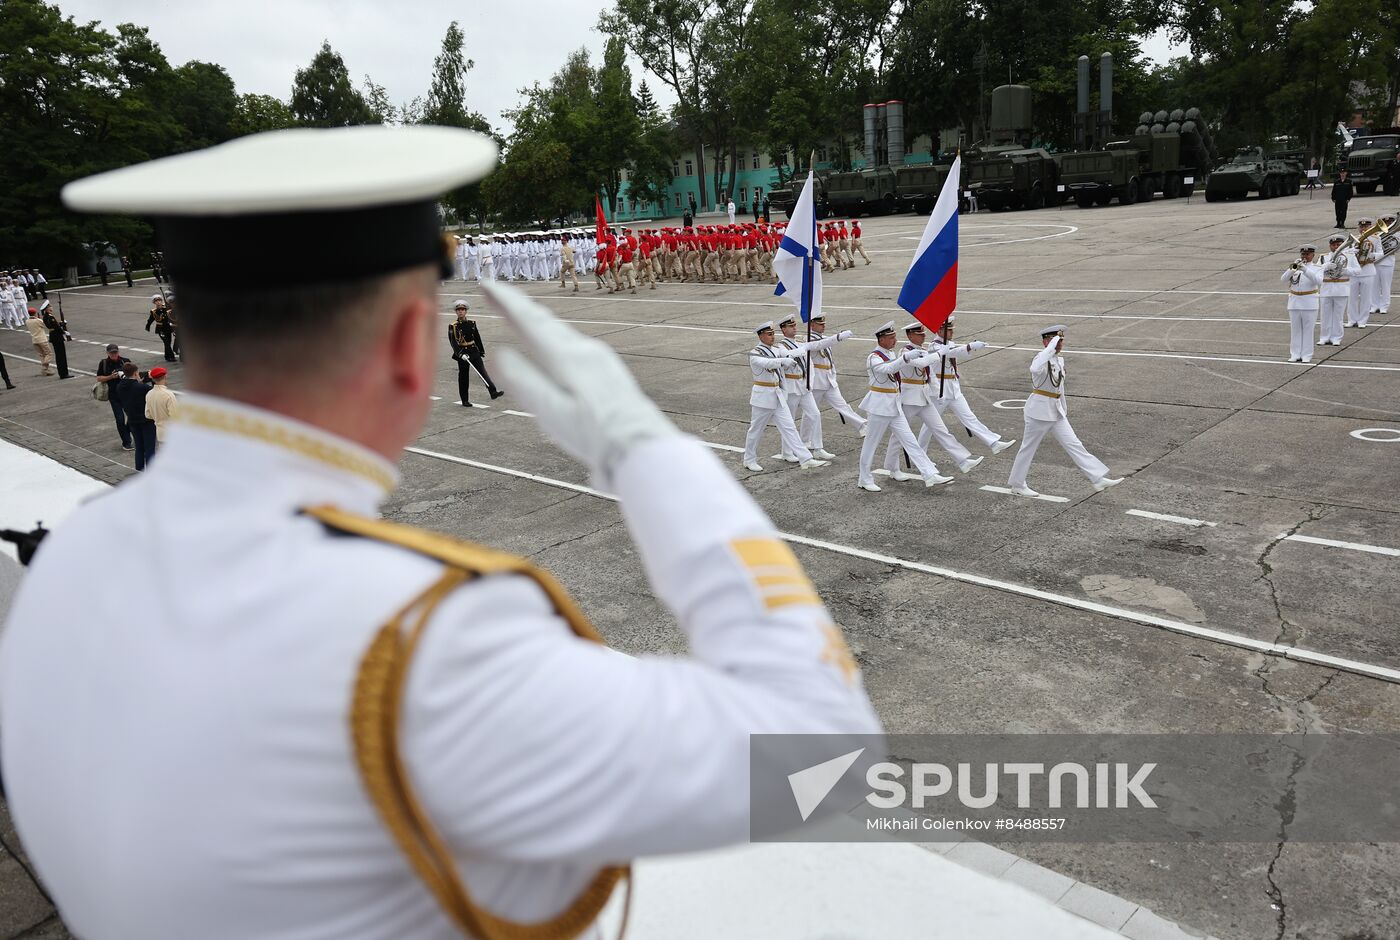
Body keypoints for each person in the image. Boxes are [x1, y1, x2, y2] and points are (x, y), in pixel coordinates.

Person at [2, 125, 880, 938]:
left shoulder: (78, 548)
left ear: (187, 327)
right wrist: (650, 454)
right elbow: (821, 757)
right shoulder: (430, 643)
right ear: (411, 343)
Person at [1006, 325, 1121, 497]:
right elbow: (1034, 369)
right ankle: (1017, 484)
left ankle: (1097, 479)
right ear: (1046, 342)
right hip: (1038, 412)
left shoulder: (1059, 361)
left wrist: (1063, 409)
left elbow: (1059, 388)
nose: (1059, 344)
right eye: (1055, 340)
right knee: (1028, 448)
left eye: (1060, 340)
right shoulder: (1040, 359)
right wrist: (1050, 347)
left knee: (1074, 444)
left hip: (1056, 411)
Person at [855, 322, 953, 492]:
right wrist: (906, 358)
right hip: (879, 407)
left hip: (894, 404)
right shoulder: (874, 357)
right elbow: (889, 369)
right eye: (891, 338)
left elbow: (904, 365)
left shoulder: (891, 353)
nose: (894, 340)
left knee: (910, 441)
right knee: (871, 444)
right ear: (882, 339)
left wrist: (925, 355)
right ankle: (864, 478)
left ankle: (929, 474)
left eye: (894, 337)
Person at [878, 323, 980, 481]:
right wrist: (940, 354)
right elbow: (921, 364)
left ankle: (962, 460)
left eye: (924, 334)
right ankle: (893, 468)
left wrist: (937, 392)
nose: (923, 336)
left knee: (941, 430)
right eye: (919, 334)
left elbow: (929, 374)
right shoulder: (905, 351)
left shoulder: (923, 351)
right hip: (909, 399)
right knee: (898, 436)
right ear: (911, 336)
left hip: (924, 397)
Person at [921, 315, 1015, 454]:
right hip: (940, 389)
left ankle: (993, 443)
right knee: (930, 426)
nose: (952, 333)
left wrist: (970, 349)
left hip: (953, 387)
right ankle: (919, 453)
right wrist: (970, 346)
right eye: (949, 330)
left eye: (952, 330)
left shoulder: (949, 343)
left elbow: (959, 353)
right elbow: (952, 353)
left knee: (969, 417)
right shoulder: (934, 346)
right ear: (940, 331)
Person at [743, 321, 827, 471]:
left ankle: (805, 459)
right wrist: (784, 361)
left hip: (778, 396)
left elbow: (788, 353)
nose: (772, 337)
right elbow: (768, 364)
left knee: (789, 428)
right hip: (763, 398)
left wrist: (801, 350)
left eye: (773, 334)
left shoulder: (775, 350)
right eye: (769, 334)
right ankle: (749, 460)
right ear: (761, 336)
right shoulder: (755, 353)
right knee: (756, 430)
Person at [772, 314, 854, 462]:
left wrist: (838, 337)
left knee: (815, 414)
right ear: (783, 329)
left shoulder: (800, 342)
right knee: (789, 421)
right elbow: (785, 356)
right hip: (791, 388)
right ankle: (787, 452)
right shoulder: (780, 346)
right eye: (791, 326)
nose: (794, 328)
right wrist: (795, 352)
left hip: (804, 387)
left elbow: (819, 344)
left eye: (795, 325)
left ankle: (817, 448)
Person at [803, 315, 866, 448]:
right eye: (820, 324)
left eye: (824, 324)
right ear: (811, 325)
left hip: (829, 380)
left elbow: (829, 360)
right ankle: (804, 439)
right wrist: (838, 337)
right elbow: (819, 345)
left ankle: (861, 425)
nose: (823, 326)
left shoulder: (825, 339)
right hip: (816, 382)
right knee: (810, 412)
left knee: (842, 405)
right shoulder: (807, 339)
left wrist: (833, 375)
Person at [447, 300, 503, 407]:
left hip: (473, 351)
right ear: (456, 312)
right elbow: (453, 342)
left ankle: (493, 392)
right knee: (464, 377)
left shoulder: (472, 323)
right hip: (463, 354)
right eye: (458, 310)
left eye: (462, 310)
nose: (460, 312)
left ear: (466, 311)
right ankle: (465, 400)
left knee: (483, 372)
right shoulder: (453, 326)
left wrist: (481, 351)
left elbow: (477, 337)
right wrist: (460, 354)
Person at [1281, 244, 1322, 362]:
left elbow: (1318, 281)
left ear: (1313, 255)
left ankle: (1307, 355)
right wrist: (1292, 268)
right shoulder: (1295, 267)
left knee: (1308, 330)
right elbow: (1283, 279)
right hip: (1294, 302)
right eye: (1303, 254)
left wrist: (1305, 270)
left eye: (1308, 254)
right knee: (1295, 330)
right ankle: (1295, 354)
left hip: (1309, 302)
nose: (1305, 256)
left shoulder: (1317, 268)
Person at [113, 362, 157, 469]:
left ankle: (139, 470)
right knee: (150, 448)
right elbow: (154, 393)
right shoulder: (141, 387)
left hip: (132, 420)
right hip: (146, 420)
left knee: (139, 447)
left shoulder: (120, 386)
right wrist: (151, 380)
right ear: (136, 372)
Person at [1318, 235, 1356, 346]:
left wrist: (1344, 270)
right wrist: (1325, 266)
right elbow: (1316, 271)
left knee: (1338, 316)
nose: (1336, 247)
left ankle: (1336, 338)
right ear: (1330, 246)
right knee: (1325, 315)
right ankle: (1324, 337)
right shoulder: (1324, 257)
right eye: (1333, 245)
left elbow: (1357, 271)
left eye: (1339, 245)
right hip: (1327, 289)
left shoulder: (1350, 256)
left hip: (1341, 289)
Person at [95, 344, 133, 450]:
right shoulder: (104, 363)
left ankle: (126, 432)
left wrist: (124, 375)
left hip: (127, 395)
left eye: (115, 352)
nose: (114, 354)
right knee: (120, 419)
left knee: (132, 416)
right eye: (112, 353)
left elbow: (134, 374)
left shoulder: (125, 361)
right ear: (107, 353)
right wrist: (111, 377)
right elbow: (99, 378)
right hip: (114, 396)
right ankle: (126, 442)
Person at [1349, 217, 1381, 328]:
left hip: (1368, 270)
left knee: (1365, 298)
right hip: (1354, 272)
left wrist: (1372, 255)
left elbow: (1381, 253)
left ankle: (1362, 320)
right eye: (1361, 227)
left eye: (1366, 227)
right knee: (1352, 298)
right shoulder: (1354, 239)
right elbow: (1347, 254)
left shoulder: (1376, 239)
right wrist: (1351, 251)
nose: (1363, 229)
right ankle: (1352, 320)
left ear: (1370, 227)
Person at [144, 366, 178, 442]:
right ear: (165, 376)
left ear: (152, 379)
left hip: (160, 433)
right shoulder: (168, 395)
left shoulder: (149, 394)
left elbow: (148, 414)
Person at [40, 300, 70, 379]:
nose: (51, 307)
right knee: (61, 356)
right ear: (46, 309)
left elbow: (54, 325)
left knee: (59, 356)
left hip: (54, 336)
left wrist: (61, 323)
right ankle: (64, 374)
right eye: (50, 307)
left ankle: (63, 373)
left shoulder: (46, 317)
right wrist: (64, 332)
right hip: (57, 337)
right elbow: (56, 327)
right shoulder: (50, 317)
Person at [1375, 211, 1396, 316]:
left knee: (1385, 285)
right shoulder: (1377, 234)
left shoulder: (1396, 234)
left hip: (1387, 262)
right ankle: (1374, 305)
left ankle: (1384, 306)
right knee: (1374, 285)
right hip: (1375, 262)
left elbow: (1395, 247)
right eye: (1385, 223)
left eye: (1390, 223)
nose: (1387, 225)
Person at [146, 293, 178, 361]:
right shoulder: (154, 311)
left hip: (168, 328)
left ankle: (166, 356)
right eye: (156, 301)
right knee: (166, 342)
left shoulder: (166, 308)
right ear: (154, 302)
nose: (158, 302)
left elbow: (172, 314)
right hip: (160, 329)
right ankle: (171, 357)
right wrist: (148, 326)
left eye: (159, 300)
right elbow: (151, 319)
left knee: (168, 342)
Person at [25, 308, 53, 376]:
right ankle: (44, 366)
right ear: (35, 313)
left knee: (42, 355)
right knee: (49, 354)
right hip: (42, 339)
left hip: (34, 340)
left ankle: (46, 370)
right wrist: (39, 318)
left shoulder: (27, 321)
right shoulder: (38, 320)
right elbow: (45, 325)